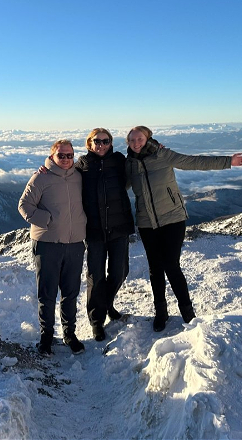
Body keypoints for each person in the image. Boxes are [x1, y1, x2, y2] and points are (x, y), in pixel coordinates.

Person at [125, 126, 242, 332]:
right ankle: (161, 312)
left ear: (148, 139)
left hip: (173, 218)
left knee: (171, 264)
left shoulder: (163, 155)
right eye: (132, 140)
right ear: (128, 142)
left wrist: (228, 161)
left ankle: (187, 311)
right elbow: (116, 185)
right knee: (155, 269)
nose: (136, 143)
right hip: (146, 222)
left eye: (140, 139)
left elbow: (194, 162)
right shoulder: (129, 164)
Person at [18, 139, 87, 356]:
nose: (66, 159)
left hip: (75, 242)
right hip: (47, 244)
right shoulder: (41, 177)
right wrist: (47, 220)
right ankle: (46, 336)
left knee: (70, 292)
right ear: (52, 156)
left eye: (70, 155)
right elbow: (24, 205)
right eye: (61, 155)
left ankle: (69, 333)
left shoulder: (79, 175)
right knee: (47, 293)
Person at [76, 128, 135, 342]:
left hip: (119, 227)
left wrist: (155, 147)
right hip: (94, 230)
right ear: (89, 143)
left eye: (105, 141)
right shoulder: (82, 164)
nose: (100, 145)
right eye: (96, 141)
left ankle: (107, 303)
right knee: (96, 276)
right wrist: (47, 166)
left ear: (111, 143)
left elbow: (139, 158)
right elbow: (63, 175)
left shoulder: (119, 161)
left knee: (120, 271)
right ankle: (96, 321)